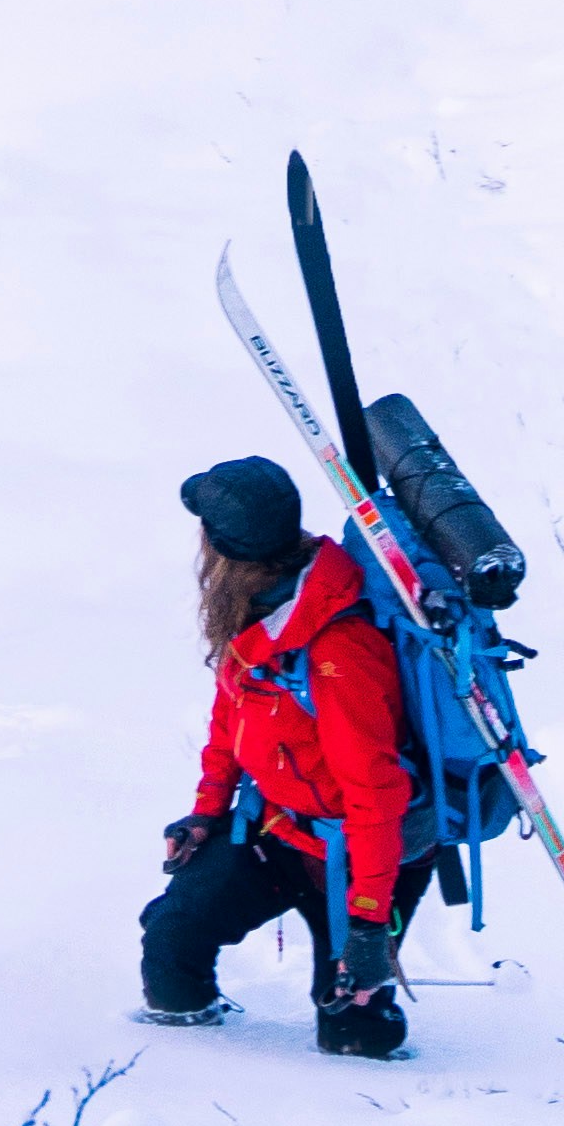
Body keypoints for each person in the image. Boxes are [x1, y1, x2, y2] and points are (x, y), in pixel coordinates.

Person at [140, 453, 418, 1058]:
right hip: (274, 830)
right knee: (169, 949)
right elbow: (230, 717)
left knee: (356, 1035)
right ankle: (180, 1059)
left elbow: (376, 794)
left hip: (355, 858)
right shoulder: (257, 616)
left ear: (224, 549)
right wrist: (207, 813)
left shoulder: (338, 652)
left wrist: (369, 921)